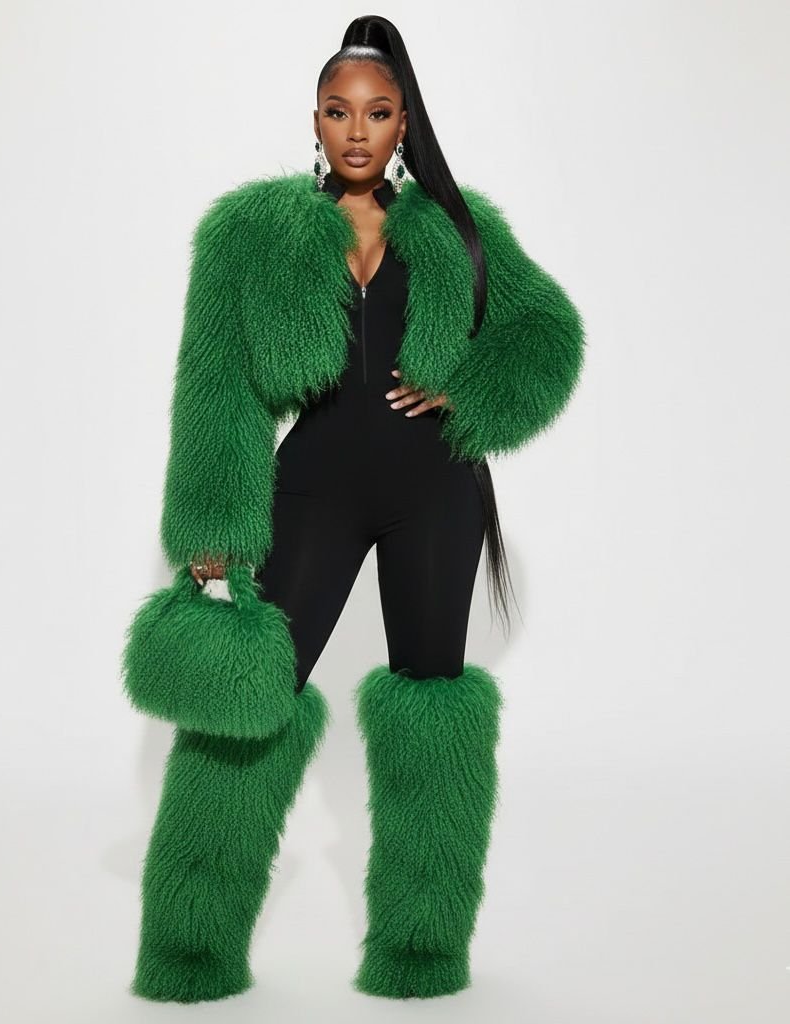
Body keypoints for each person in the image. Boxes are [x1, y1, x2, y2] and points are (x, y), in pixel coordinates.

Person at [130, 15, 585, 1005]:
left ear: (403, 124)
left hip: (437, 493)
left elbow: (548, 332)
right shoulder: (253, 233)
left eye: (377, 113)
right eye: (338, 111)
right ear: (315, 120)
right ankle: (189, 949)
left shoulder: (456, 227)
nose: (356, 131)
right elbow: (216, 383)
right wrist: (213, 526)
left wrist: (472, 390)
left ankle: (422, 951)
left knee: (433, 708)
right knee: (247, 704)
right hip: (316, 487)